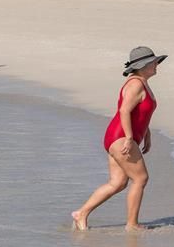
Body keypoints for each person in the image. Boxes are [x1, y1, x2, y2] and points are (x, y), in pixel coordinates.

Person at [72, 46, 167, 231]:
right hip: (121, 137)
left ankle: (81, 213)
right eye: (154, 62)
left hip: (119, 137)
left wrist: (147, 134)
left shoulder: (142, 82)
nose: (157, 65)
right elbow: (124, 110)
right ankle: (132, 225)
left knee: (118, 183)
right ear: (143, 65)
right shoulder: (136, 84)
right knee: (141, 179)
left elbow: (140, 114)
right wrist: (130, 138)